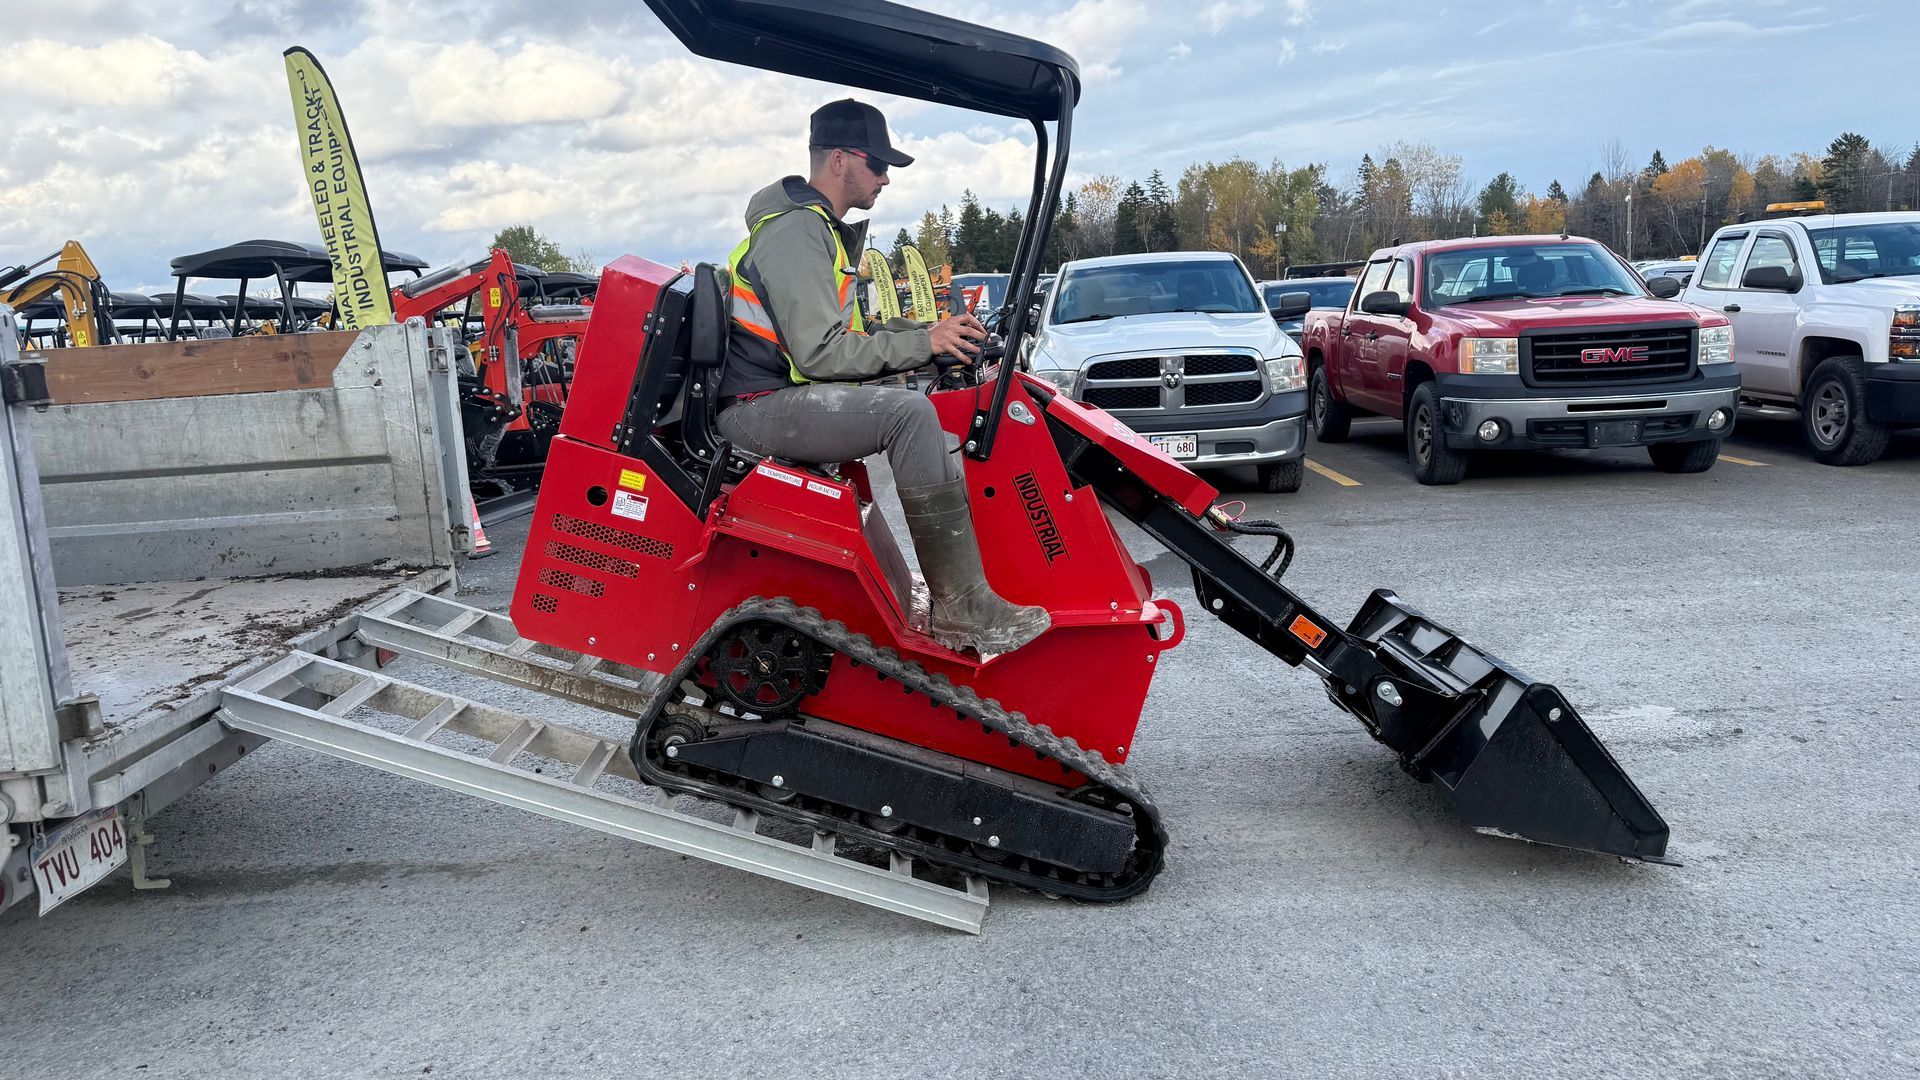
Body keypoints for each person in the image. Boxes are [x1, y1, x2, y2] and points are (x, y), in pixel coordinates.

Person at [714, 99, 1050, 655]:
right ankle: (962, 607)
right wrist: (922, 344)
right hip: (757, 407)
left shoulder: (815, 227)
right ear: (840, 160)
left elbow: (847, 329)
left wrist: (928, 334)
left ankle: (961, 593)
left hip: (779, 397)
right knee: (908, 414)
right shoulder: (796, 231)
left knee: (913, 410)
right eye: (878, 164)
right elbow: (820, 353)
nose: (886, 177)